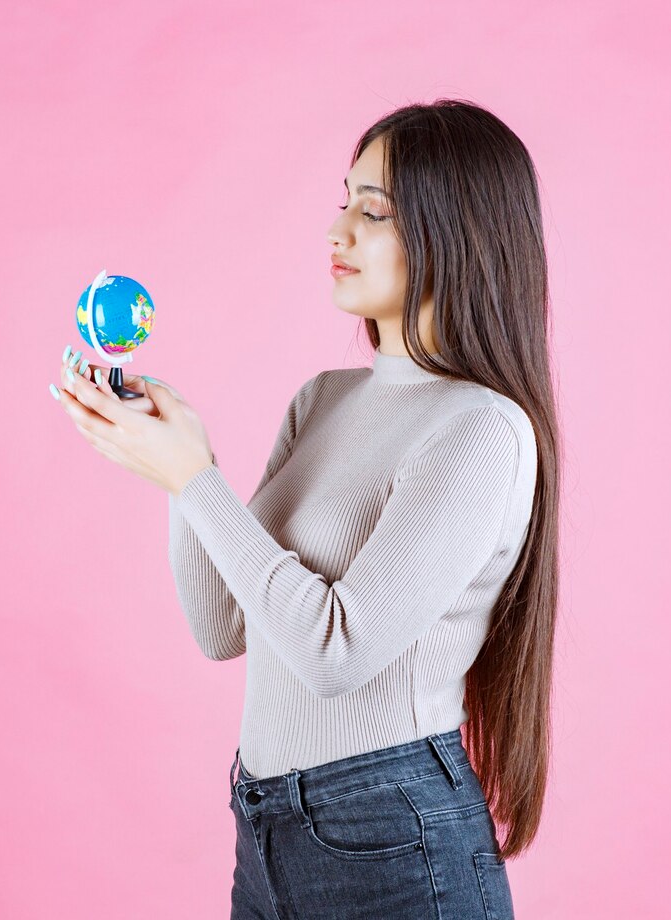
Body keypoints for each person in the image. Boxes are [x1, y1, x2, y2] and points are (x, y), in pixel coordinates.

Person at [52, 98, 561, 920]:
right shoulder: (323, 400)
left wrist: (194, 482)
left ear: (457, 233)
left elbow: (336, 653)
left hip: (390, 837)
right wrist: (185, 463)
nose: (338, 232)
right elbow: (221, 627)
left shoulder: (482, 431)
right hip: (264, 829)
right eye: (343, 201)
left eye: (375, 211)